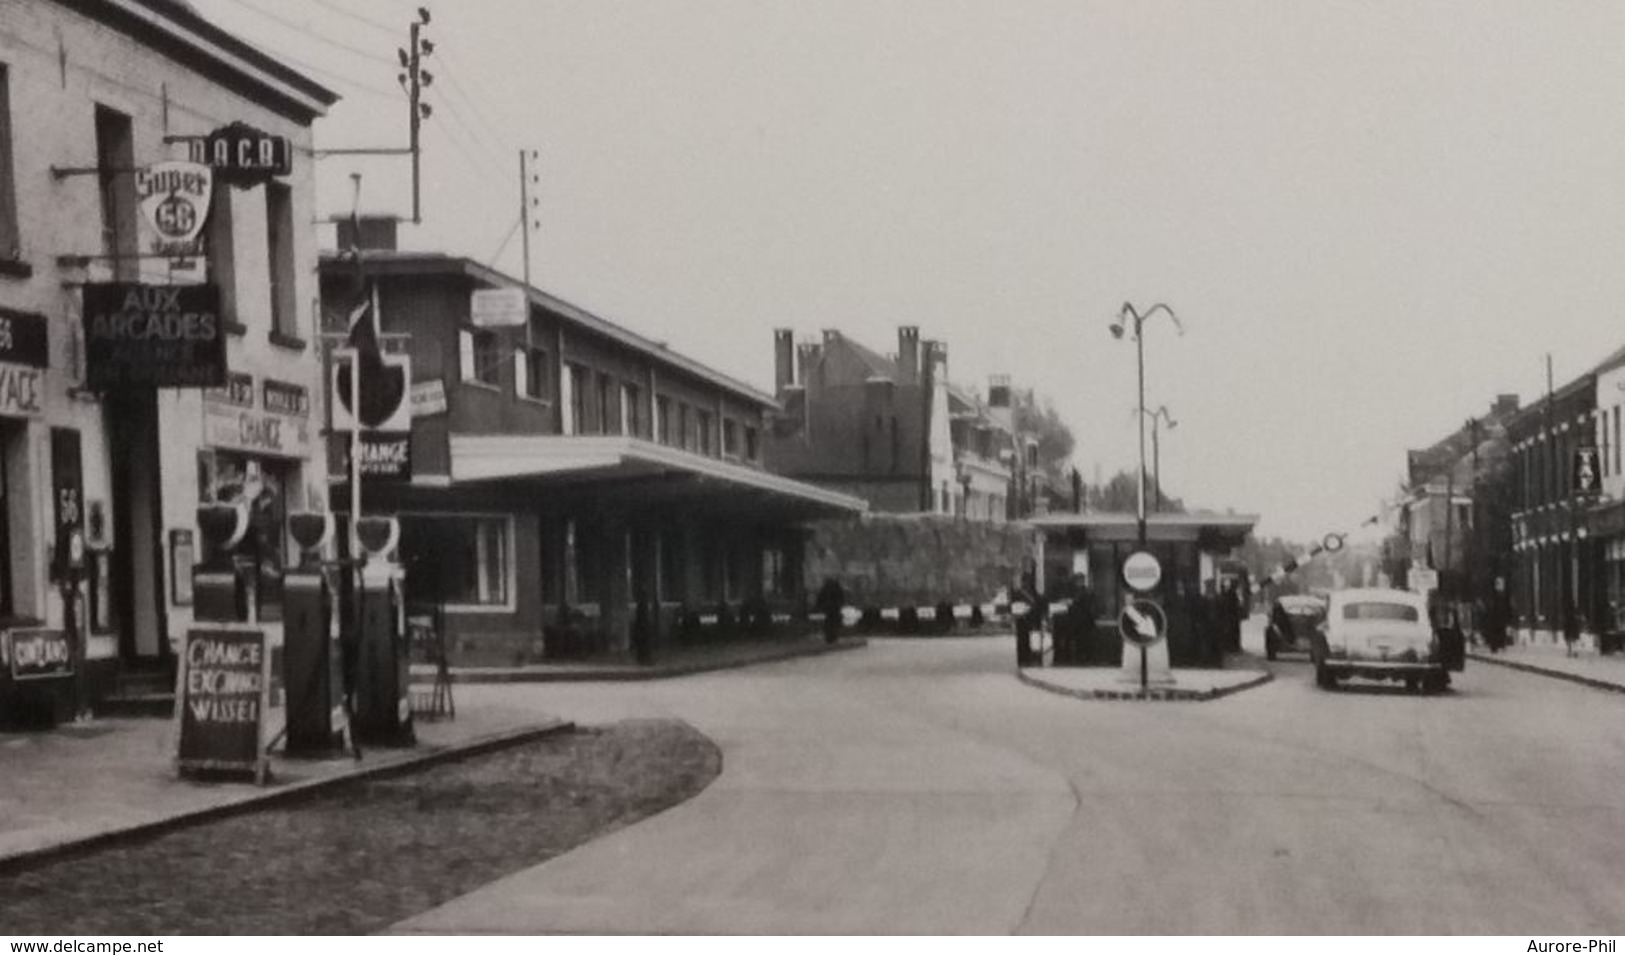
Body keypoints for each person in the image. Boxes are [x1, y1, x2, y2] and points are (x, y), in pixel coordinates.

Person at [816, 577, 845, 645]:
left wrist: (820, 607)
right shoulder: (837, 588)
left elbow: (820, 598)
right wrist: (839, 605)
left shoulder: (824, 589)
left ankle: (829, 637)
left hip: (828, 609)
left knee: (829, 623)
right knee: (834, 623)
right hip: (835, 609)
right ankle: (833, 637)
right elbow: (841, 598)